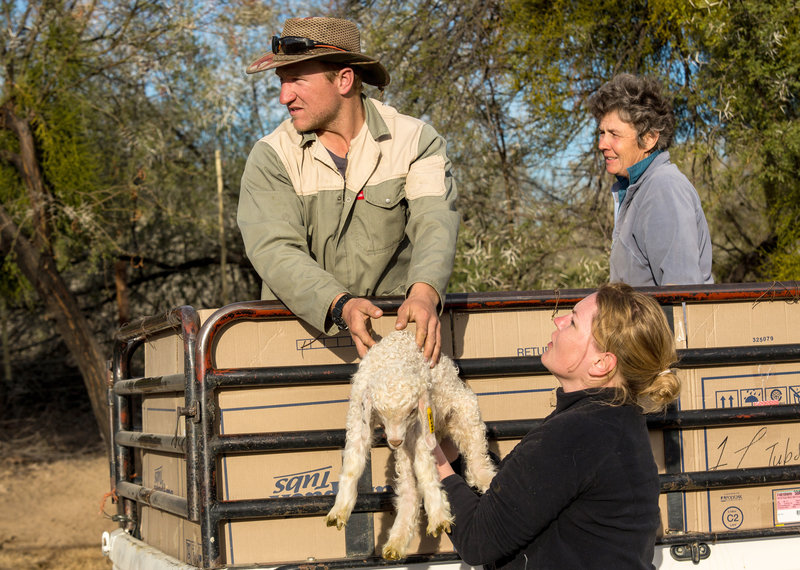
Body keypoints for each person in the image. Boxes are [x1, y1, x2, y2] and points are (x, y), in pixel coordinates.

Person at [237, 17, 459, 364]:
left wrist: (425, 293)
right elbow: (275, 250)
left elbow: (435, 223)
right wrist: (340, 304)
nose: (284, 96)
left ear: (344, 80)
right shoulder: (271, 156)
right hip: (300, 350)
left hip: (398, 343)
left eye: (296, 80)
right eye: (281, 83)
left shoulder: (417, 141)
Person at [432, 282, 681, 569]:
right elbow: (520, 494)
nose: (558, 320)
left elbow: (477, 541)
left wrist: (432, 457)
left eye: (573, 322)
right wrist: (453, 449)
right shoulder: (616, 420)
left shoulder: (579, 432)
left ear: (601, 363)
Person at [588, 73, 713, 286]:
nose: (602, 144)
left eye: (614, 134)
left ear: (649, 138)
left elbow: (681, 291)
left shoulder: (663, 189)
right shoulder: (635, 189)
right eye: (601, 132)